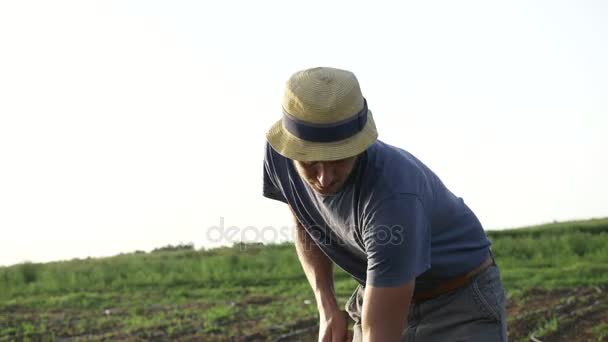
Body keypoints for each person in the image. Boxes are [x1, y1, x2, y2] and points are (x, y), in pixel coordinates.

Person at [262, 67, 507, 342]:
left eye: (338, 160)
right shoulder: (281, 156)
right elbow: (306, 220)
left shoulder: (391, 198)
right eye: (310, 163)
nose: (324, 178)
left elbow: (380, 334)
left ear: (359, 145)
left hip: (456, 306)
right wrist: (326, 305)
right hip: (377, 291)